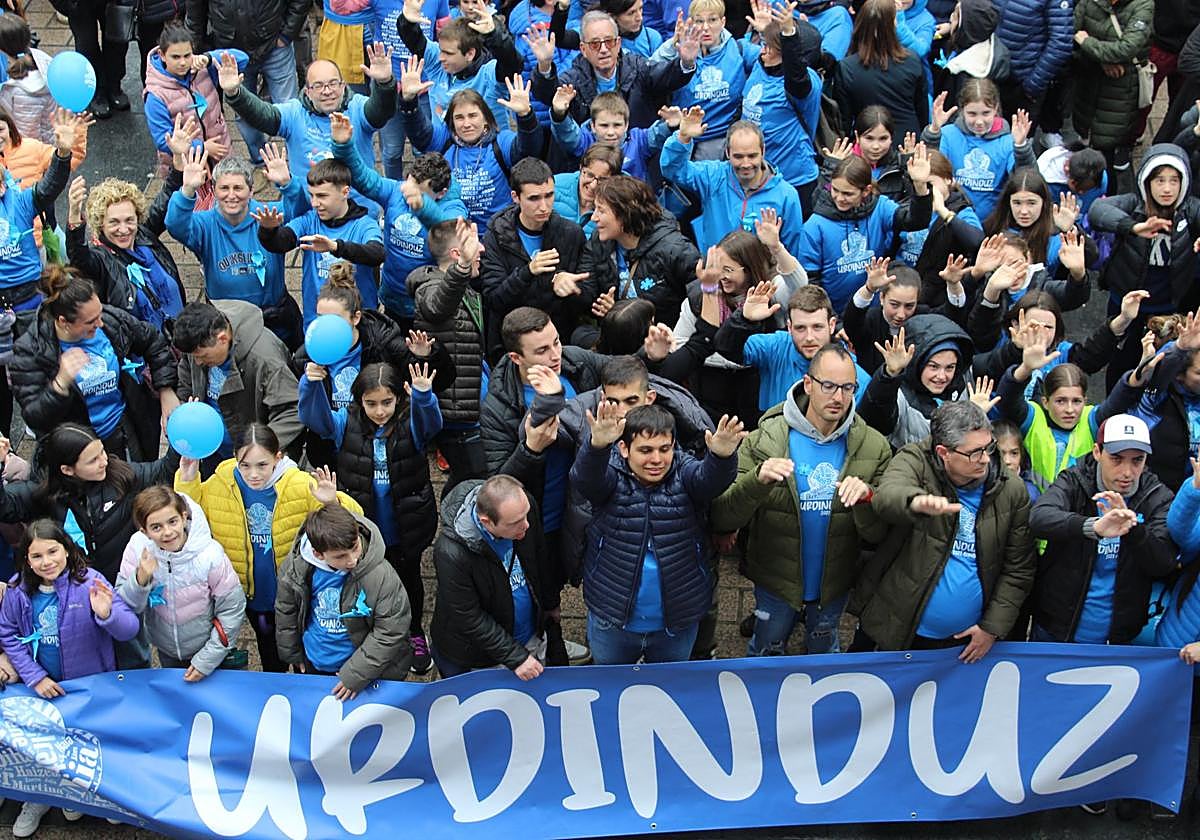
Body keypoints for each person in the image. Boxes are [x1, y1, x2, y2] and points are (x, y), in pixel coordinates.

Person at [711, 343, 891, 655]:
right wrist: (757, 482)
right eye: (828, 386)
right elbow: (723, 516)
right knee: (767, 649)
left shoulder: (874, 447)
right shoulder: (765, 439)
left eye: (848, 388)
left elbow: (878, 534)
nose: (838, 397)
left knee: (823, 649)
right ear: (808, 384)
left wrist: (867, 500)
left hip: (833, 586)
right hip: (775, 583)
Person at [853, 400, 1035, 655]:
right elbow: (888, 494)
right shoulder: (916, 459)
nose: (986, 459)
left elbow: (1018, 569)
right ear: (943, 452)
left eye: (988, 447)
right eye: (974, 452)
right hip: (899, 624)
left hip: (967, 640)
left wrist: (992, 628)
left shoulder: (1012, 490)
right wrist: (914, 501)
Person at [175, 423, 361, 673]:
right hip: (255, 597)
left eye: (262, 465)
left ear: (278, 457)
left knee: (304, 653)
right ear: (235, 459)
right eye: (245, 465)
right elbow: (188, 519)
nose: (253, 474)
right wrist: (187, 480)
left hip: (295, 596)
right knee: (269, 651)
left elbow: (355, 522)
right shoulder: (220, 484)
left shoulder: (300, 485)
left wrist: (333, 502)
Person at [299, 361, 442, 675]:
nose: (380, 411)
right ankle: (373, 637)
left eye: (387, 402)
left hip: (406, 525)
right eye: (371, 403)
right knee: (365, 584)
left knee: (409, 580)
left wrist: (423, 397)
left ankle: (414, 633)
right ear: (359, 401)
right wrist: (311, 386)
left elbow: (431, 424)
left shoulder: (410, 421)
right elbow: (315, 419)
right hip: (364, 529)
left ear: (398, 399)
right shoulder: (345, 422)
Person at [572, 402, 744, 663]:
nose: (656, 459)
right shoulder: (611, 475)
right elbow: (586, 479)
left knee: (669, 686)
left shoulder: (684, 472)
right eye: (645, 450)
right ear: (624, 449)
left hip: (677, 621)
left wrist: (721, 457)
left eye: (665, 449)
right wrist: (596, 448)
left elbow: (709, 481)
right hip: (612, 617)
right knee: (610, 684)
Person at [0, 519, 140, 837]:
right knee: (44, 745)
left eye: (52, 552)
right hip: (41, 689)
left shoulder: (90, 581)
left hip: (88, 689)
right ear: (26, 560)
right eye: (37, 556)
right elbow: (7, 634)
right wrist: (34, 677)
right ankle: (44, 797)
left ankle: (99, 795)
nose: (46, 562)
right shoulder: (17, 590)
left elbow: (129, 629)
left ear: (66, 549)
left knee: (90, 742)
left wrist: (107, 614)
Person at [1028, 413, 1176, 647]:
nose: (1127, 472)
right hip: (1056, 628)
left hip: (1119, 637)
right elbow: (1039, 517)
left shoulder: (1157, 495)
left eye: (1137, 460)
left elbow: (1164, 563)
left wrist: (1133, 531)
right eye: (1117, 459)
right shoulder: (1075, 480)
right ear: (1097, 452)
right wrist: (1092, 527)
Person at [9, 266, 180, 461]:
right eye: (90, 322)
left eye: (99, 313)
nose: (100, 323)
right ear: (63, 322)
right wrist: (60, 385)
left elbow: (153, 341)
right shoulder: (30, 351)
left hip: (124, 431)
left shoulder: (109, 320)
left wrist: (165, 389)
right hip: (80, 449)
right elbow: (35, 417)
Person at [330, 109, 466, 329]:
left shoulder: (454, 208)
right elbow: (364, 179)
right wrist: (344, 145)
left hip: (428, 303)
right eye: (409, 185)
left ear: (441, 193)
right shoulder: (397, 190)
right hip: (392, 295)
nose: (408, 194)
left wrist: (422, 207)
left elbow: (447, 231)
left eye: (419, 192)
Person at [667, 210, 805, 426]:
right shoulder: (700, 296)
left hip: (759, 389)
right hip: (711, 391)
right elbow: (679, 344)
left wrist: (777, 248)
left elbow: (799, 287)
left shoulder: (767, 290)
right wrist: (725, 359)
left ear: (749, 269)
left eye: (728, 270)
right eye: (717, 268)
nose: (721, 276)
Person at [165, 147, 305, 350]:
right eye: (224, 188)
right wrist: (187, 190)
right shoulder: (205, 225)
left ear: (251, 191)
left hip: (275, 320)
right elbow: (175, 225)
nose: (231, 195)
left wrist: (288, 184)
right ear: (214, 191)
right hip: (226, 324)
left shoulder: (268, 215)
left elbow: (301, 214)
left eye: (238, 188)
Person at [1088, 144, 1200, 389]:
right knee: (1120, 360)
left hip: (1169, 306)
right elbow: (1097, 210)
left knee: (1164, 363)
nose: (1167, 188)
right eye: (1159, 180)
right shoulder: (1133, 204)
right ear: (1147, 182)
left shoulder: (1190, 210)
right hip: (1127, 303)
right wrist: (1132, 226)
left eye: (1174, 180)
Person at [275, 504, 413, 698]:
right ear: (318, 554)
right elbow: (286, 610)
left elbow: (390, 630)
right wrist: (292, 653)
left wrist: (355, 674)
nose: (352, 560)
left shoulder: (382, 575)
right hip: (314, 663)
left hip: (363, 672)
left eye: (355, 548)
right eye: (340, 556)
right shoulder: (295, 569)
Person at [214, 45, 398, 190]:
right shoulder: (294, 112)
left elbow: (381, 112)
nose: (327, 91)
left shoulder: (357, 106)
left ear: (343, 86)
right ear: (308, 92)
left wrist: (384, 84)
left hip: (359, 206)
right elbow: (263, 115)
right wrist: (235, 93)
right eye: (318, 86)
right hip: (309, 208)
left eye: (333, 83)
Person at [430, 474, 559, 678]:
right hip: (484, 656)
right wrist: (516, 657)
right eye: (516, 523)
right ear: (487, 522)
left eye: (526, 515)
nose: (526, 525)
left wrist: (551, 604)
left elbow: (540, 559)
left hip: (529, 637)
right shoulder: (450, 553)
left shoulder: (521, 509)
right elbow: (469, 617)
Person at [117, 486, 246, 679]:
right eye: (156, 527)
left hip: (208, 648)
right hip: (166, 650)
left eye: (172, 521)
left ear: (184, 517)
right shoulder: (137, 549)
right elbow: (123, 606)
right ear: (145, 531)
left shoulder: (210, 555)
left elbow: (231, 608)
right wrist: (140, 579)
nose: (167, 532)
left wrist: (207, 659)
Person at [797, 143, 934, 313]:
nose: (839, 198)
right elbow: (810, 281)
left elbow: (915, 222)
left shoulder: (880, 207)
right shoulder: (815, 225)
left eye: (848, 193)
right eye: (835, 190)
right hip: (835, 313)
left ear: (866, 191)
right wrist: (829, 318)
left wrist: (920, 187)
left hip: (875, 310)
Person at [401, 71, 544, 233]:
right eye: (459, 118)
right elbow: (420, 134)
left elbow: (527, 151)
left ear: (485, 119)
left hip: (498, 235)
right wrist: (409, 102)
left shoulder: (500, 142)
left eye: (473, 116)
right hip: (454, 233)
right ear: (452, 122)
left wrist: (526, 116)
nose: (466, 123)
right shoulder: (445, 140)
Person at [186, 0, 310, 183]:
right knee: (243, 112)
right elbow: (195, 12)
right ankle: (261, 161)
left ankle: (301, 166)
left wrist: (287, 35)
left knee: (290, 108)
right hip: (231, 51)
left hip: (274, 43)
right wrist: (192, 51)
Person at [408, 218, 488, 494]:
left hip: (468, 406)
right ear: (457, 254)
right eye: (474, 244)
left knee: (470, 477)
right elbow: (437, 307)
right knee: (473, 478)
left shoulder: (464, 287)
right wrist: (463, 267)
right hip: (454, 414)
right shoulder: (430, 287)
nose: (482, 249)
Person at [481, 157, 590, 359]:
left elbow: (585, 299)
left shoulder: (571, 234)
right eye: (534, 198)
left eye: (549, 195)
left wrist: (569, 286)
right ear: (515, 197)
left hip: (557, 344)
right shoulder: (496, 235)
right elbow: (493, 299)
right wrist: (528, 271)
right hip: (510, 348)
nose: (544, 206)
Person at [255, 158, 385, 326]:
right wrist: (268, 230)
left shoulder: (365, 225)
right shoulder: (310, 220)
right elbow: (280, 242)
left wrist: (335, 247)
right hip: (316, 322)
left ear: (345, 192)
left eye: (322, 196)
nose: (315, 203)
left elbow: (377, 253)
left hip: (358, 324)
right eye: (312, 195)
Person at [661, 110, 805, 258]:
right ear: (728, 152)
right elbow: (672, 169)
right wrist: (682, 138)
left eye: (752, 156)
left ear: (763, 151)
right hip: (716, 269)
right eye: (738, 157)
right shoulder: (713, 176)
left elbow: (792, 253)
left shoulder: (786, 196)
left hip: (762, 273)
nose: (746, 164)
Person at [172, 299, 305, 459]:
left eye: (203, 356)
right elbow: (186, 374)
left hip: (251, 461)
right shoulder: (197, 344)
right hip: (210, 451)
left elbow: (293, 410)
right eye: (193, 356)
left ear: (222, 339)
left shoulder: (265, 359)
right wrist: (181, 404)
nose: (198, 362)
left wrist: (259, 450)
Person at [528, 10, 699, 130]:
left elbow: (666, 77)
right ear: (583, 49)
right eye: (595, 44)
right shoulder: (574, 77)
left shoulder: (638, 67)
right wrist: (545, 64)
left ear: (618, 44)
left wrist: (686, 61)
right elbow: (548, 95)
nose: (603, 49)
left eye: (609, 42)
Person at [65, 168, 186, 336]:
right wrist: (74, 216)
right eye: (114, 222)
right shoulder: (101, 260)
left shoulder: (144, 235)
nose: (123, 230)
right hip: (148, 349)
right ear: (101, 224)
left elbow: (164, 200)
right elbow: (79, 258)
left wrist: (179, 167)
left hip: (182, 335)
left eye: (129, 220)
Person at [713, 284, 870, 412]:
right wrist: (744, 320)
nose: (809, 337)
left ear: (832, 325)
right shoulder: (775, 347)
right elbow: (726, 348)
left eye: (817, 327)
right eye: (800, 328)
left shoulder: (856, 379)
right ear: (789, 327)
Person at [579, 174, 700, 330]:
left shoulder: (675, 249)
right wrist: (566, 282)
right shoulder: (599, 241)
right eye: (594, 209)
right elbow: (587, 293)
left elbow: (705, 297)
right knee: (581, 335)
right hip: (622, 335)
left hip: (667, 336)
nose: (593, 218)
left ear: (625, 214)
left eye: (601, 211)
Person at [740, 8, 824, 203]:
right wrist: (764, 32)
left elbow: (796, 75)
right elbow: (740, 48)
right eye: (763, 45)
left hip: (794, 179)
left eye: (769, 47)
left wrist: (788, 34)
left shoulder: (803, 83)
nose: (763, 51)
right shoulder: (762, 65)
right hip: (756, 175)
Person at [143, 21, 245, 177]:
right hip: (187, 168)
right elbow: (163, 141)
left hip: (221, 153)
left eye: (187, 55)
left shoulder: (203, 70)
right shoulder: (155, 95)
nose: (183, 62)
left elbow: (243, 59)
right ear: (162, 55)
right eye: (175, 57)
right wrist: (203, 147)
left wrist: (209, 58)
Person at [396, 0, 523, 126]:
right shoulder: (438, 65)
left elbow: (512, 64)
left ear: (469, 54)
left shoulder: (488, 76)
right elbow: (416, 42)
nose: (441, 58)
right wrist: (407, 22)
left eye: (448, 53)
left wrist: (494, 35)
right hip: (444, 140)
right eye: (441, 51)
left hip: (489, 139)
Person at [1072, 0, 1154, 193]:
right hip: (1089, 83)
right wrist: (1103, 60)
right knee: (1085, 134)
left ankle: (1107, 196)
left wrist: (1087, 42)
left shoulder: (1143, 5)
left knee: (1106, 149)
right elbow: (1070, 33)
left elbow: (1126, 49)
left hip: (1120, 90)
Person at [858, 313, 974, 449]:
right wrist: (889, 376)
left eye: (950, 367)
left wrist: (976, 415)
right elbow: (874, 421)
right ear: (917, 363)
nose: (942, 376)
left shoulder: (963, 385)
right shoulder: (899, 395)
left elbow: (993, 362)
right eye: (933, 366)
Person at [921, 81, 1033, 221]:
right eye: (972, 114)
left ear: (995, 109)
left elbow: (1026, 180)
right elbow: (928, 169)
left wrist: (1021, 147)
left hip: (993, 223)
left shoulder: (1008, 140)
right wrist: (933, 132)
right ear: (962, 110)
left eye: (986, 113)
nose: (979, 121)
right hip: (952, 220)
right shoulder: (948, 135)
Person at [650, 0, 748, 160]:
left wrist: (765, 32)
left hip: (724, 140)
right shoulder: (680, 50)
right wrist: (673, 43)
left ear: (723, 21)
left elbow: (772, 61)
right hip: (684, 138)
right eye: (699, 21)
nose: (705, 27)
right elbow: (649, 74)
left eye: (712, 20)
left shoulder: (740, 49)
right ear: (691, 23)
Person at [841, 259, 969, 375]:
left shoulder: (923, 317)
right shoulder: (870, 320)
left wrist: (954, 285)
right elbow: (852, 320)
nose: (901, 314)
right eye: (894, 305)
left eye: (909, 306)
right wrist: (869, 289)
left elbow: (952, 316)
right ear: (882, 298)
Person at [831, 0, 929, 143]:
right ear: (893, 27)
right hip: (908, 141)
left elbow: (844, 120)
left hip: (869, 142)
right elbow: (922, 110)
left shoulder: (846, 67)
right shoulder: (912, 60)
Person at [547, 88, 671, 183]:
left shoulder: (639, 141)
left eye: (617, 125)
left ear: (626, 125)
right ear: (592, 126)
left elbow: (657, 135)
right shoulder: (585, 141)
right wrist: (559, 114)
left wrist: (670, 125)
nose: (611, 132)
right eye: (604, 126)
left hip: (632, 203)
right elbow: (569, 135)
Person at [992, 0, 1073, 124]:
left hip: (1021, 84)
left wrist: (1032, 86)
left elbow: (1061, 43)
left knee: (1017, 135)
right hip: (989, 75)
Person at [67, 0, 134, 118]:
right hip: (79, 4)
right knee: (87, 45)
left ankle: (114, 84)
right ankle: (97, 90)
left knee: (116, 39)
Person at [0, 15, 60, 144]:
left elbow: (29, 137)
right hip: (48, 135)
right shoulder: (41, 59)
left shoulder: (24, 93)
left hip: (35, 149)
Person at [552, 143, 624, 235]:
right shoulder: (554, 186)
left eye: (602, 180)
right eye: (590, 175)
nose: (593, 185)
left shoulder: (617, 206)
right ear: (581, 168)